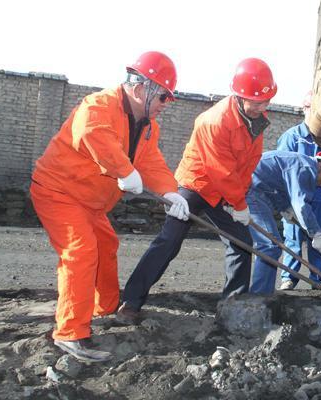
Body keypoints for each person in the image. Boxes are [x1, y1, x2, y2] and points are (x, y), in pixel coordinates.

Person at [30, 51, 190, 362]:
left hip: (90, 202)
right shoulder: (98, 106)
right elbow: (93, 135)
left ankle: (104, 308)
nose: (164, 106)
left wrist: (172, 194)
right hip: (59, 191)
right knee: (81, 250)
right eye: (163, 98)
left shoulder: (147, 127)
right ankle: (70, 332)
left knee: (106, 245)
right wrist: (124, 170)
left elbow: (152, 163)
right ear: (143, 88)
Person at [118, 58, 277, 321]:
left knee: (242, 243)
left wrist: (240, 199)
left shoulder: (256, 120)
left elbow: (249, 163)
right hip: (195, 185)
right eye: (258, 102)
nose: (264, 106)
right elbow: (220, 171)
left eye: (267, 100)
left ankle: (232, 307)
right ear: (240, 95)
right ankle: (131, 302)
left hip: (224, 192)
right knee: (169, 242)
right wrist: (239, 205)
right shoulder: (214, 121)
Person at [247, 150, 321, 294]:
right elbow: (301, 205)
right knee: (269, 245)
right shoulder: (306, 168)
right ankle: (260, 294)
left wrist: (285, 208)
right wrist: (316, 233)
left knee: (267, 245)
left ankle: (262, 291)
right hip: (251, 191)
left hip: (256, 190)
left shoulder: (300, 163)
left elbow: (278, 187)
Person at [276, 91, 321, 291]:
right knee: (293, 237)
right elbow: (281, 168)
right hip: (294, 198)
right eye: (311, 109)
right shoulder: (291, 137)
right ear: (305, 109)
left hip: (319, 197)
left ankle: (319, 278)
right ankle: (289, 277)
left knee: (318, 236)